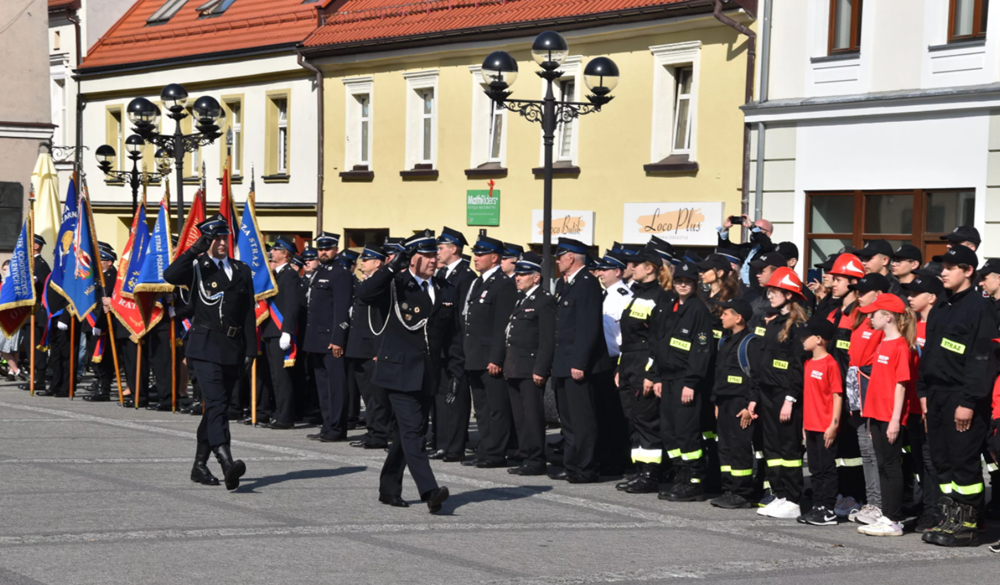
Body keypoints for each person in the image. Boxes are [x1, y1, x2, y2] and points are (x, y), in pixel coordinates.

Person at [355, 230, 456, 513]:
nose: (434, 260)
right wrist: (390, 266)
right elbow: (365, 294)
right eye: (427, 256)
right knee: (413, 432)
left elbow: (452, 335)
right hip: (398, 371)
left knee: (406, 432)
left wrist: (456, 371)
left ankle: (388, 488)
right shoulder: (396, 284)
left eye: (435, 255)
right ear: (412, 259)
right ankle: (430, 491)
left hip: (429, 372)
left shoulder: (445, 289)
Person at [163, 215, 257, 490]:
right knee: (216, 405)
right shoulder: (197, 267)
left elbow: (249, 313)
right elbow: (170, 275)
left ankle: (199, 466)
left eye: (223, 238)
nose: (220, 243)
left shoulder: (241, 270)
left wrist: (251, 349)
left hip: (233, 348)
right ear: (206, 241)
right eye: (214, 238)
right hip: (204, 346)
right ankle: (226, 462)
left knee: (217, 408)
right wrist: (195, 249)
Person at [919, 245, 998, 547]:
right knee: (942, 461)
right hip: (937, 394)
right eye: (942, 266)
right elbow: (931, 353)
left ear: (968, 271)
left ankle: (967, 522)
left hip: (962, 397)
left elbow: (983, 359)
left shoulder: (980, 307)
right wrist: (924, 391)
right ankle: (949, 514)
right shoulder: (941, 304)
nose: (943, 272)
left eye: (950, 267)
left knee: (963, 460)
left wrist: (968, 401)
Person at [648, 261, 714, 502]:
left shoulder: (698, 309)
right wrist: (656, 377)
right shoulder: (671, 306)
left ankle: (693, 482)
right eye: (679, 281)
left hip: (686, 380)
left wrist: (692, 382)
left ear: (694, 284)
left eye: (687, 282)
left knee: (687, 433)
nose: (682, 285)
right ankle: (680, 476)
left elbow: (701, 349)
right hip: (667, 378)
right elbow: (659, 343)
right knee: (670, 431)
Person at [857, 294, 918, 537]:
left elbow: (901, 385)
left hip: (889, 416)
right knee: (882, 465)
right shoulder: (883, 343)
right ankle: (885, 514)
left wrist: (895, 419)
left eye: (874, 313)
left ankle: (894, 519)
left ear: (888, 316)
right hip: (877, 414)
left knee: (891, 466)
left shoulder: (901, 346)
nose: (870, 317)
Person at [616, 246, 675, 494]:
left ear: (649, 268)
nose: (631, 268)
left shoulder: (660, 296)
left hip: (644, 363)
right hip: (629, 361)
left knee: (647, 419)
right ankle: (641, 469)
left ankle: (651, 474)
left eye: (636, 264)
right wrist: (620, 366)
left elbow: (657, 338)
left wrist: (652, 373)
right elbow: (628, 335)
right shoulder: (636, 294)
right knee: (634, 418)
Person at [549, 237, 605, 483]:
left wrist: (579, 363)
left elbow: (587, 328)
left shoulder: (587, 284)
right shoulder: (566, 284)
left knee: (582, 420)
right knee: (568, 420)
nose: (558, 262)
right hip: (563, 361)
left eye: (560, 257)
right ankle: (572, 464)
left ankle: (585, 467)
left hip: (578, 364)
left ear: (571, 257)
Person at [755, 267, 808, 520]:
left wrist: (790, 399)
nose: (770, 294)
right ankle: (779, 494)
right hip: (767, 393)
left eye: (775, 290)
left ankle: (793, 498)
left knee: (789, 449)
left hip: (786, 397)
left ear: (789, 295)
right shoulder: (773, 322)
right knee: (772, 448)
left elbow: (798, 368)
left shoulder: (797, 326)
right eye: (770, 290)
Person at [461, 235, 517, 468]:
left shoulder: (503, 284)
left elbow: (501, 325)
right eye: (475, 253)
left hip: (490, 357)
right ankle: (486, 447)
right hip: (475, 355)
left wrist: (496, 357)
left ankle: (496, 452)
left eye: (480, 254)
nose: (475, 258)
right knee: (482, 408)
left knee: (496, 408)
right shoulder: (479, 282)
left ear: (494, 258)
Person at [503, 252, 555, 476]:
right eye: (517, 274)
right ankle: (526, 455)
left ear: (536, 277)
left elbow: (547, 339)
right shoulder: (521, 299)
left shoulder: (544, 301)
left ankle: (536, 458)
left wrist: (540, 369)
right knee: (520, 415)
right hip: (514, 366)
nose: (518, 277)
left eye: (523, 274)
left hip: (530, 367)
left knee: (533, 415)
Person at [902, 274, 944, 532]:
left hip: (931, 406)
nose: (909, 297)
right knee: (919, 461)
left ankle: (936, 511)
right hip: (912, 405)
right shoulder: (911, 326)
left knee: (932, 461)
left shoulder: (938, 326)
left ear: (931, 298)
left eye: (915, 294)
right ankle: (925, 507)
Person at [709, 299, 760, 509]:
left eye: (726, 313)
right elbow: (719, 375)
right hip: (724, 402)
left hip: (741, 403)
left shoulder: (750, 343)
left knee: (739, 448)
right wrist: (716, 402)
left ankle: (742, 492)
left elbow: (756, 378)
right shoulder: (724, 341)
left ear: (738, 318)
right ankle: (729, 489)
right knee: (725, 447)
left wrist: (750, 406)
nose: (721, 317)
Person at [431, 227, 476, 461]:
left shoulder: (465, 277)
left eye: (440, 248)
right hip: (440, 347)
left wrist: (460, 349)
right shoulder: (440, 275)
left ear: (454, 249)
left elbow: (463, 317)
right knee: (441, 396)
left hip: (456, 346)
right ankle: (442, 442)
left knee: (455, 396)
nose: (437, 252)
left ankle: (456, 446)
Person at [303, 232, 354, 442]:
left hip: (331, 339)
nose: (323, 252)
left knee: (335, 386)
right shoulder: (319, 272)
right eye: (320, 249)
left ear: (336, 249)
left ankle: (337, 428)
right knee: (322, 387)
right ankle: (327, 424)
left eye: (328, 248)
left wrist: (338, 338)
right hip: (316, 338)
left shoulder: (340, 274)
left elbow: (342, 309)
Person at [797, 317, 842, 526]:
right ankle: (817, 505)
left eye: (806, 337)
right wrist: (805, 425)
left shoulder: (830, 363)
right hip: (811, 425)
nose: (802, 340)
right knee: (814, 469)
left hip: (825, 426)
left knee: (826, 468)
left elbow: (837, 395)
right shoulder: (808, 363)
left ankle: (828, 509)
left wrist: (833, 424)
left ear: (818, 339)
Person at [594, 249, 633, 474]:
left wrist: (621, 366)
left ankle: (617, 460)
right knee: (604, 412)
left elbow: (626, 334)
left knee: (616, 414)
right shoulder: (605, 295)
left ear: (617, 271)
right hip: (603, 360)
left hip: (618, 360)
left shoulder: (623, 296)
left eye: (604, 269)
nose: (600, 272)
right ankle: (606, 456)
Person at [259, 236, 301, 430]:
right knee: (274, 375)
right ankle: (278, 412)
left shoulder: (290, 275)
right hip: (270, 331)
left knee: (282, 376)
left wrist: (287, 331)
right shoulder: (276, 275)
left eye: (275, 250)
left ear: (285, 254)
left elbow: (292, 306)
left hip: (280, 332)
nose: (272, 252)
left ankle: (285, 416)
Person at [83, 243, 118, 401]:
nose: (98, 262)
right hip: (94, 321)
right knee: (95, 358)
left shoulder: (111, 277)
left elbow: (106, 305)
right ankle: (99, 387)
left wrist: (99, 325)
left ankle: (104, 391)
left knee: (104, 358)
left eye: (101, 259)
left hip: (103, 323)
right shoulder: (101, 276)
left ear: (109, 262)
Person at [22, 235, 51, 392]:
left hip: (38, 312)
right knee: (29, 347)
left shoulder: (40, 264)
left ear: (36, 246)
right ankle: (33, 377)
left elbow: (45, 287)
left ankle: (39, 379)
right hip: (28, 312)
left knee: (36, 347)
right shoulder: (30, 263)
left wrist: (35, 281)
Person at [716, 215, 775, 288]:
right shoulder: (747, 248)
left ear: (768, 234)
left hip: (755, 289)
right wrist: (725, 228)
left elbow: (767, 244)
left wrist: (752, 227)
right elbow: (726, 249)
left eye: (759, 228)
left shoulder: (769, 249)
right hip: (741, 287)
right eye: (754, 227)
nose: (754, 231)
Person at [0, 260, 24, 381]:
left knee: (13, 346)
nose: (6, 272)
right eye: (4, 269)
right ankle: (16, 370)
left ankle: (12, 371)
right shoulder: (1, 284)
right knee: (3, 346)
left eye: (8, 269)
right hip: (2, 319)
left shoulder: (17, 284)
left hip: (14, 317)